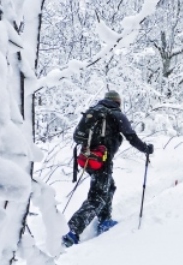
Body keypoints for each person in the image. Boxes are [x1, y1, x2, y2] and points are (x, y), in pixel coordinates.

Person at [62, 90, 154, 247]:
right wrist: (145, 148)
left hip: (88, 158)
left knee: (109, 187)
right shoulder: (116, 115)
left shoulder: (94, 112)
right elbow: (131, 136)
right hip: (101, 160)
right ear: (118, 102)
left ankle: (105, 220)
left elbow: (77, 136)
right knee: (97, 197)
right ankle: (73, 230)